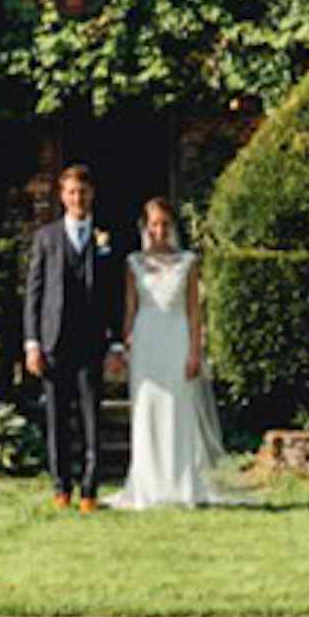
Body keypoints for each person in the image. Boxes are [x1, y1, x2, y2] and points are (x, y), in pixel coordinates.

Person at [116, 196, 241, 510]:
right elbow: (129, 309)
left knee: (177, 410)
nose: (159, 230)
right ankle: (148, 485)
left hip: (177, 339)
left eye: (164, 224)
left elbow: (194, 311)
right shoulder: (133, 262)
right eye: (153, 224)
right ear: (146, 227)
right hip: (146, 342)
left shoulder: (188, 262)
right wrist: (124, 345)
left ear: (172, 227)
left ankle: (181, 485)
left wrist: (195, 352)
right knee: (147, 410)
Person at [21, 163, 122, 508]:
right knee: (57, 421)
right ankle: (61, 488)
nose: (77, 198)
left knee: (92, 420)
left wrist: (116, 342)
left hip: (92, 344)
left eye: (83, 191)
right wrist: (32, 343)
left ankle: (90, 491)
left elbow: (115, 295)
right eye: (71, 192)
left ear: (91, 194)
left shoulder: (105, 238)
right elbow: (33, 294)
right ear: (62, 197)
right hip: (54, 344)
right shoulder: (46, 238)